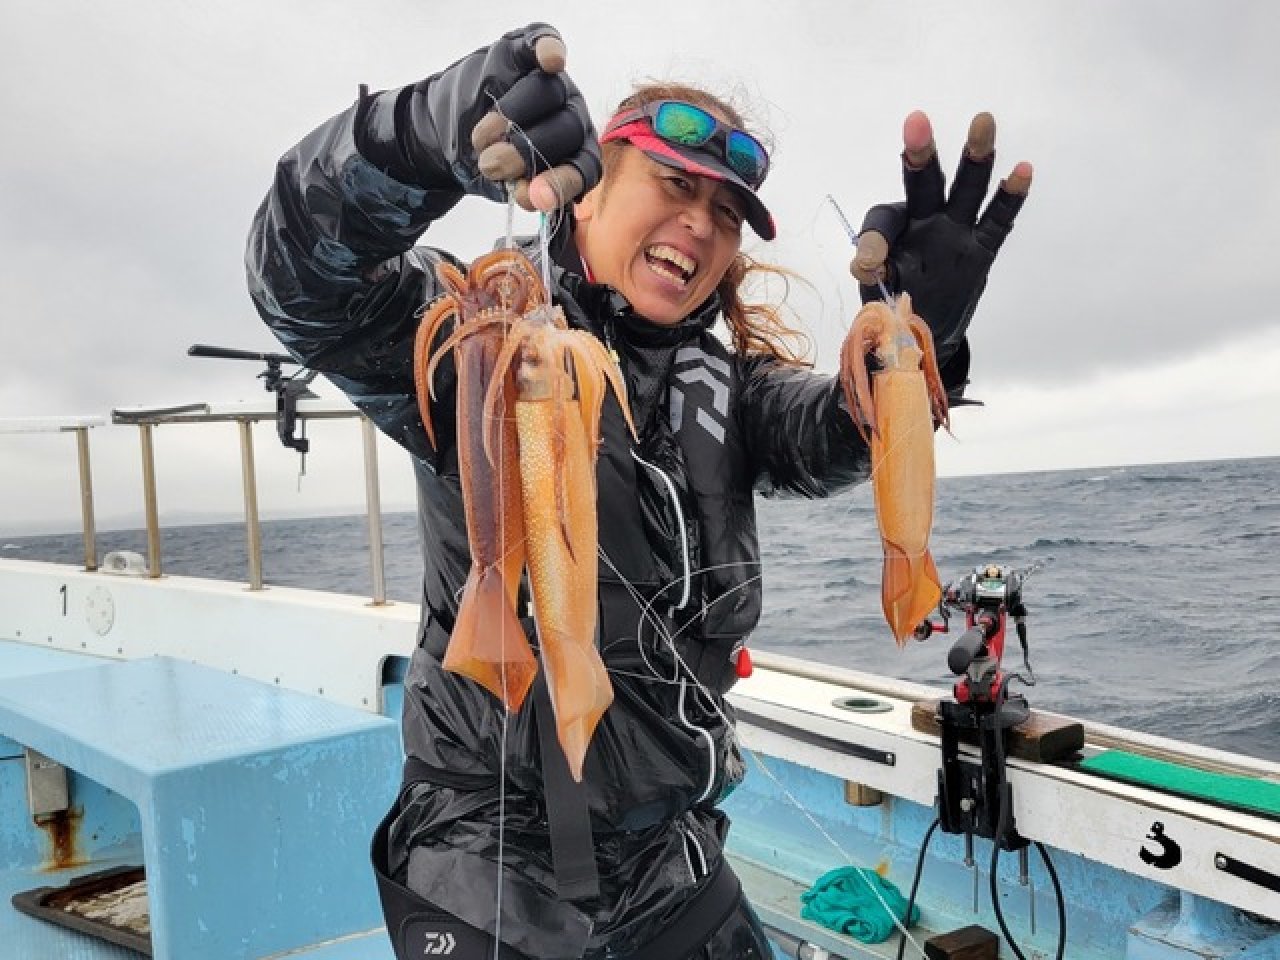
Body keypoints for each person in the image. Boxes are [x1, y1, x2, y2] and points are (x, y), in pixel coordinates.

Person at [246, 22, 1030, 960]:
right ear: (585, 193)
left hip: (675, 857)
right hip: (493, 861)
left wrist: (919, 346)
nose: (702, 223)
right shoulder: (478, 338)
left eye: (727, 212)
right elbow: (300, 275)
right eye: (674, 184)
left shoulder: (725, 387)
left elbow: (828, 439)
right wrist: (417, 135)